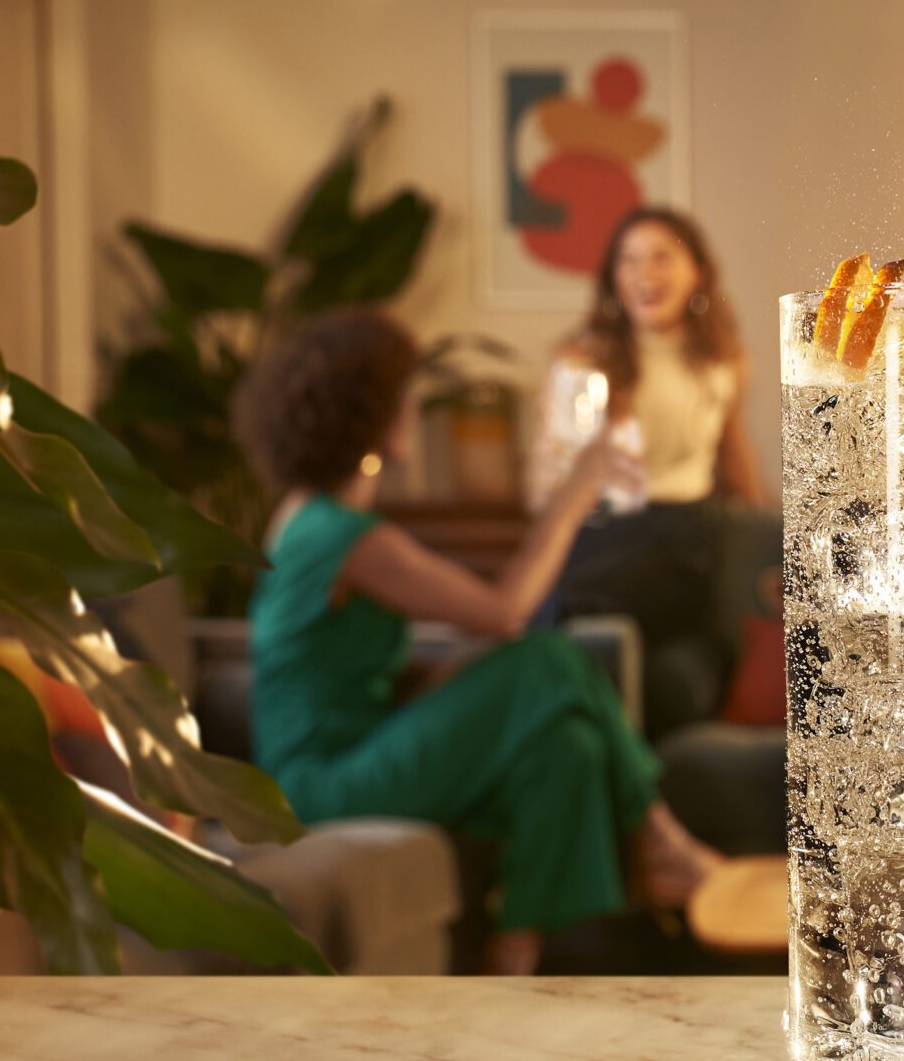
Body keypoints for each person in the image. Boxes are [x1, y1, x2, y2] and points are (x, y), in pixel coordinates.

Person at [240, 308, 721, 975]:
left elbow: (342, 669)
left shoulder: (313, 517)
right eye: (404, 395)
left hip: (356, 748)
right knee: (550, 656)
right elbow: (505, 613)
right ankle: (658, 837)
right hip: (320, 783)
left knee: (566, 743)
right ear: (376, 415)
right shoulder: (342, 536)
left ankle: (514, 961)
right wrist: (577, 491)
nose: (413, 407)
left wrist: (462, 681)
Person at [529, 206, 764, 739]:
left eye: (661, 258)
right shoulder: (586, 358)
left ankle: (539, 624)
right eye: (629, 261)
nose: (644, 274)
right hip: (607, 534)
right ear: (614, 279)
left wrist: (772, 546)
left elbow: (733, 454)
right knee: (638, 660)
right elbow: (555, 478)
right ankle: (551, 622)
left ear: (697, 272)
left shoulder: (724, 360)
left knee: (671, 672)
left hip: (684, 534)